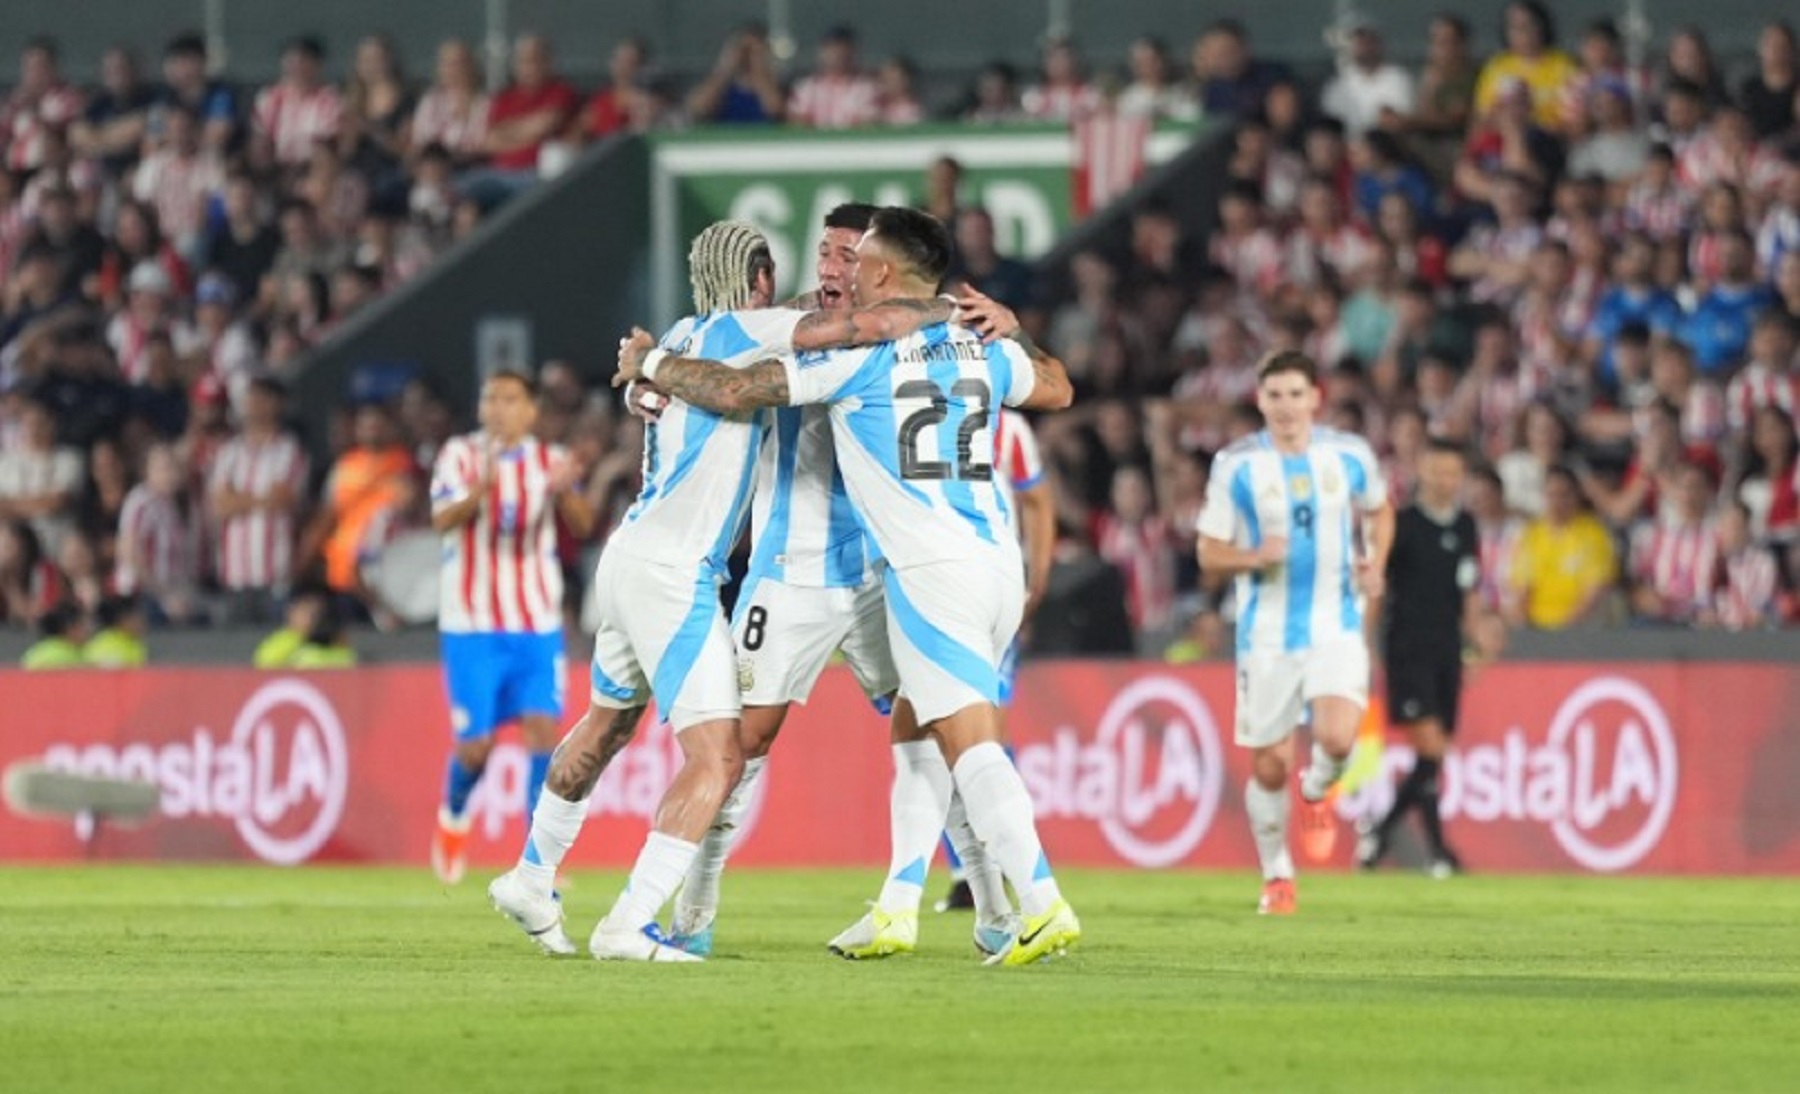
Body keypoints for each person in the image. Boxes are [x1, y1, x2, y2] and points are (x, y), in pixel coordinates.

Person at [615, 206, 1081, 966]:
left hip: (892, 572)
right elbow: (1055, 385)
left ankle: (1010, 907)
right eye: (826, 254)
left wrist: (652, 365)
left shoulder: (859, 350)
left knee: (943, 732)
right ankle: (713, 913)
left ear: (878, 271)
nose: (835, 268)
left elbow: (734, 388)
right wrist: (650, 389)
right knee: (747, 743)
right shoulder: (797, 324)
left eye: (849, 255)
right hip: (794, 571)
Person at [488, 220, 956, 961]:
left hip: (626, 558)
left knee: (607, 727)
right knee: (719, 759)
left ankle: (530, 874)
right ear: (758, 278)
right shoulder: (755, 327)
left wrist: (647, 364)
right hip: (675, 573)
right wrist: (949, 307)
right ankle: (628, 926)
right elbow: (868, 323)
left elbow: (799, 323)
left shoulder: (680, 333)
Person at [1196, 350, 1394, 915]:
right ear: (1260, 400)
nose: (1285, 406)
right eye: (1274, 395)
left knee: (1336, 739)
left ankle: (1318, 790)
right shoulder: (1236, 466)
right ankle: (1277, 873)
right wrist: (1253, 555)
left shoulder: (1349, 455)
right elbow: (1208, 551)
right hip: (1267, 635)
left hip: (1337, 622)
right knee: (1269, 764)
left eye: (1295, 394)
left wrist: (1375, 561)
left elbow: (1381, 510)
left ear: (1316, 399)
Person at [427, 369, 595, 885]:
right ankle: (454, 817)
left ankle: (536, 861)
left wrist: (567, 494)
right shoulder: (459, 455)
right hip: (471, 625)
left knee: (543, 733)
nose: (498, 407)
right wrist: (481, 488)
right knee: (476, 748)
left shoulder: (552, 461)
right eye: (490, 398)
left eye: (510, 399)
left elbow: (585, 526)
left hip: (536, 623)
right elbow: (441, 520)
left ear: (530, 411)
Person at [1361, 439, 1502, 875]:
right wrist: (1366, 645)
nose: (1446, 480)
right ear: (1422, 470)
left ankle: (1380, 830)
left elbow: (1469, 591)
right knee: (1431, 745)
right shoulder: (1401, 524)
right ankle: (1440, 853)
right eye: (1438, 470)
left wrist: (1474, 645)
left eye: (1453, 472)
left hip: (1447, 650)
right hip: (1407, 649)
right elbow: (1377, 588)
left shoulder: (1464, 526)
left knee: (1433, 756)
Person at [84, 594, 148, 668]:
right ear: (124, 620)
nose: (141, 624)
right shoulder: (103, 642)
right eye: (137, 620)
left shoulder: (138, 645)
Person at [21, 600, 87, 669]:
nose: (86, 630)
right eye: (82, 624)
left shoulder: (32, 654)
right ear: (70, 628)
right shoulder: (73, 656)